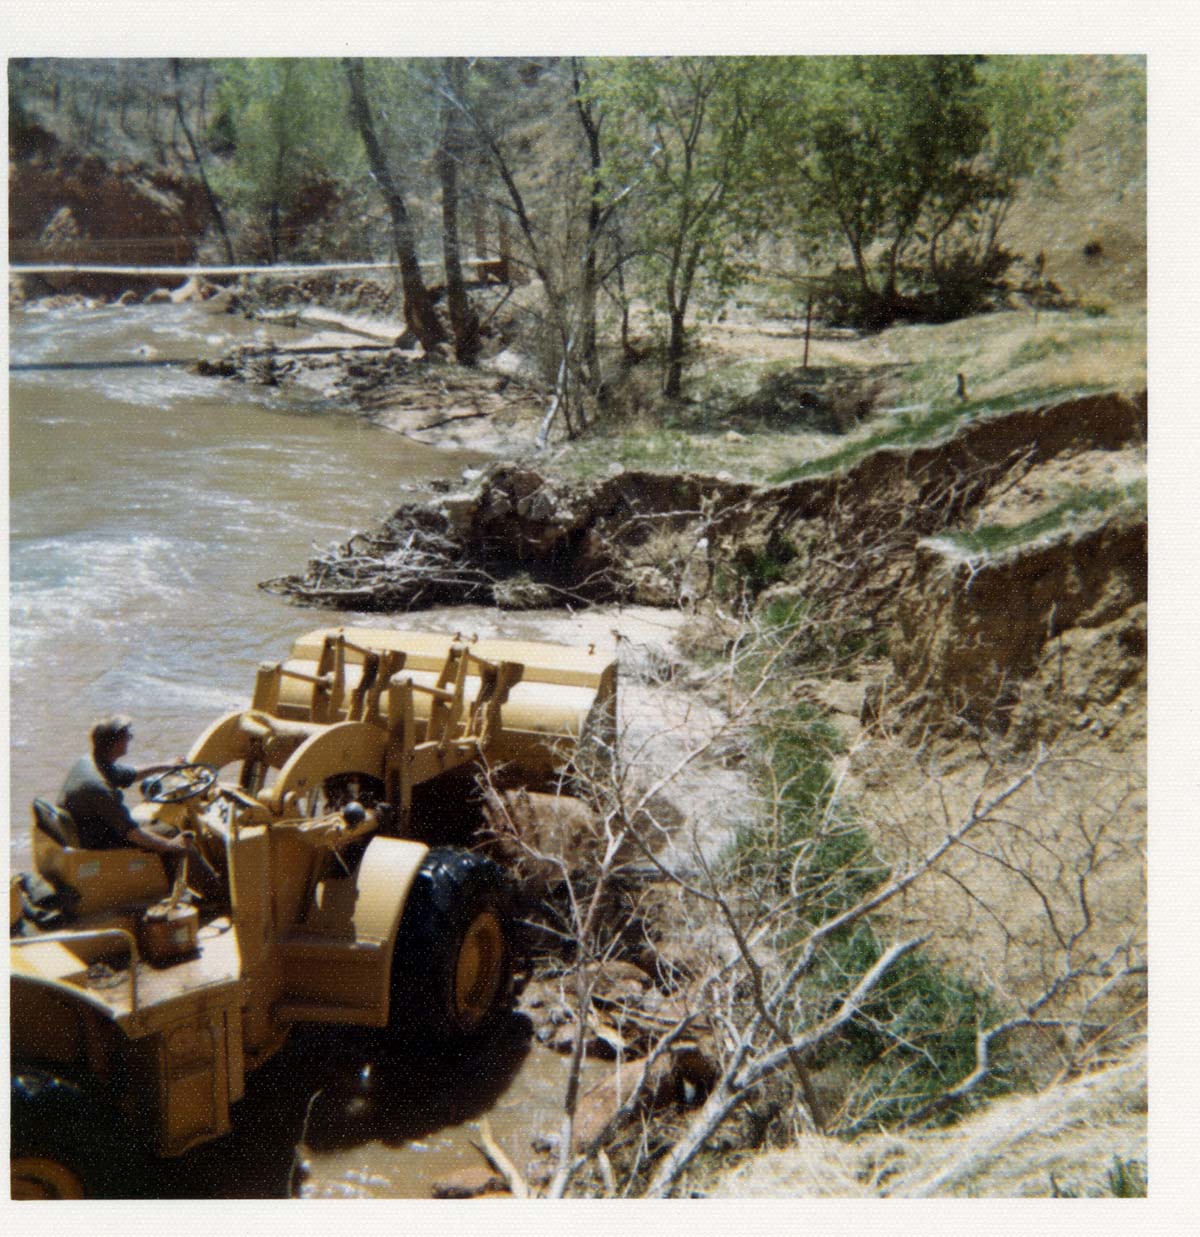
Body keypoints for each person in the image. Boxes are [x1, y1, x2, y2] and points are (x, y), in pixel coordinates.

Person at [58, 715, 213, 884]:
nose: (129, 740)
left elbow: (130, 774)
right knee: (184, 847)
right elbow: (134, 834)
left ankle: (171, 880)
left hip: (92, 829)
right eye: (127, 737)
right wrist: (172, 846)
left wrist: (166, 765)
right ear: (115, 743)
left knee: (169, 831)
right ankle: (216, 897)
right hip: (100, 842)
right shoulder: (99, 789)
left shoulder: (91, 762)